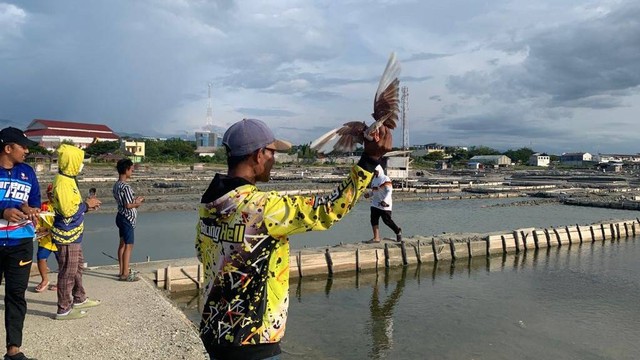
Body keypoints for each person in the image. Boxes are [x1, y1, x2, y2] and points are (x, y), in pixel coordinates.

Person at [195, 118, 391, 360]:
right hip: (253, 341)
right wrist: (370, 161)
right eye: (272, 153)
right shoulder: (262, 208)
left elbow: (202, 253)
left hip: (213, 334)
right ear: (258, 155)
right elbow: (327, 209)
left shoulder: (208, 205)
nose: (273, 160)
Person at [0, 127, 40, 360]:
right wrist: (3, 212)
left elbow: (32, 202)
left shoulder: (27, 172)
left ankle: (13, 351)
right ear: (7, 148)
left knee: (16, 294)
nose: (26, 150)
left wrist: (29, 209)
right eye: (22, 146)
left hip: (21, 241)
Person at [50, 144, 102, 320]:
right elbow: (67, 210)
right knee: (67, 271)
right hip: (66, 234)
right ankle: (63, 308)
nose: (81, 165)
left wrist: (86, 206)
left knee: (77, 266)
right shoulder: (63, 182)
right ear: (71, 162)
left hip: (74, 232)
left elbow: (73, 207)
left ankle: (79, 298)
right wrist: (87, 205)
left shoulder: (69, 179)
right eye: (79, 161)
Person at [112, 158, 144, 282]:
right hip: (127, 218)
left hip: (120, 216)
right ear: (126, 170)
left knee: (122, 244)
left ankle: (122, 271)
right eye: (131, 169)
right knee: (128, 246)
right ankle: (125, 274)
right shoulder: (126, 187)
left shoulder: (116, 185)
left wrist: (133, 202)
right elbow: (128, 205)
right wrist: (137, 203)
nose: (132, 172)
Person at [363, 164, 402, 243]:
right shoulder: (374, 179)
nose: (374, 173)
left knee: (387, 221)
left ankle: (398, 231)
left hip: (384, 205)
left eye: (376, 171)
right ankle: (376, 237)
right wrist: (369, 194)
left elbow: (389, 191)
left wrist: (385, 201)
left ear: (379, 170)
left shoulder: (385, 179)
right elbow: (374, 191)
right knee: (373, 220)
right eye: (374, 171)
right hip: (375, 203)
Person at [34, 184, 57, 293]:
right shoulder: (43, 206)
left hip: (59, 239)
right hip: (46, 239)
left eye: (54, 194)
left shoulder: (62, 206)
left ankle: (61, 282)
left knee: (62, 261)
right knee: (41, 257)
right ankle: (44, 280)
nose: (51, 196)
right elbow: (38, 221)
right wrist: (39, 229)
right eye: (50, 193)